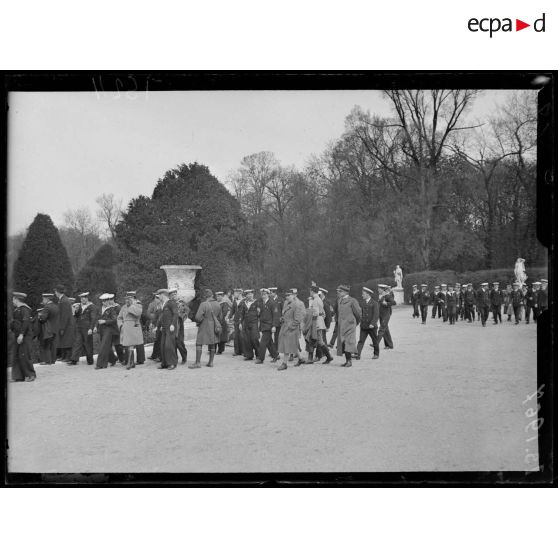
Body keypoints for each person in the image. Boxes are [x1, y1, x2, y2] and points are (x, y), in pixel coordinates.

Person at [189, 289, 222, 368]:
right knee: (212, 343)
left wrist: (200, 321)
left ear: (205, 296)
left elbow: (197, 317)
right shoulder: (218, 304)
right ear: (212, 295)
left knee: (199, 343)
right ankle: (210, 362)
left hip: (204, 326)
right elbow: (221, 317)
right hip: (214, 326)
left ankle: (197, 363)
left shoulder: (203, 304)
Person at [10, 292, 36, 382]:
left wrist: (21, 334)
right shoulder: (17, 309)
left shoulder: (24, 309)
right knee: (17, 355)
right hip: (18, 335)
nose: (12, 301)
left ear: (17, 299)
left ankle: (31, 375)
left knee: (25, 355)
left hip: (24, 336)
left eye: (13, 299)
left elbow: (26, 322)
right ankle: (18, 376)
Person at [277, 289, 306, 370]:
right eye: (286, 295)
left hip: (292, 328)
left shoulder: (297, 304)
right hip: (285, 325)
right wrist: (282, 318)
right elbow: (284, 313)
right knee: (291, 344)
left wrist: (290, 327)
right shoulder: (286, 303)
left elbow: (298, 319)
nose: (287, 297)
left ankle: (284, 363)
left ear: (294, 295)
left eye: (289, 295)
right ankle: (300, 359)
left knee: (287, 344)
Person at [335, 284, 361, 368]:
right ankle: (347, 360)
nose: (338, 293)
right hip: (342, 326)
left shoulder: (353, 301)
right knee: (343, 343)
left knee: (348, 343)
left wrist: (354, 323)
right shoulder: (339, 300)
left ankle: (349, 361)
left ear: (345, 292)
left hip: (350, 326)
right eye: (338, 291)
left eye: (340, 291)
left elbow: (358, 313)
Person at [117, 291, 144, 370]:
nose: (127, 300)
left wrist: (131, 305)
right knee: (127, 345)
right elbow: (119, 318)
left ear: (134, 298)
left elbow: (138, 313)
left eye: (129, 298)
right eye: (126, 299)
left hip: (133, 327)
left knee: (130, 345)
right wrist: (121, 325)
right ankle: (131, 363)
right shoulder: (123, 307)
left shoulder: (138, 305)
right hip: (125, 328)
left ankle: (129, 362)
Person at [68, 291, 97, 365]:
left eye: (84, 298)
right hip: (79, 327)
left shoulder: (92, 306)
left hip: (87, 328)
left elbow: (93, 318)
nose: (82, 300)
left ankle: (90, 360)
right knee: (77, 343)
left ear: (87, 298)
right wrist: (76, 310)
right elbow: (76, 316)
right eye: (81, 298)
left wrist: (91, 328)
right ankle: (74, 360)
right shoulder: (79, 306)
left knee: (88, 344)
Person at [94, 293, 120, 369]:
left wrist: (105, 321)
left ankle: (100, 364)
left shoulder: (111, 309)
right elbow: (97, 318)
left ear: (108, 301)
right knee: (107, 347)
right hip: (101, 329)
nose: (104, 302)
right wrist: (95, 326)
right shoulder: (100, 309)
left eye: (105, 301)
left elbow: (114, 320)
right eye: (103, 301)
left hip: (109, 330)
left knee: (103, 346)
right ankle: (113, 359)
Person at [255, 288, 280, 364]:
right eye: (262, 294)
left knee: (263, 342)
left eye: (265, 294)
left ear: (268, 294)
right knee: (269, 343)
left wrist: (274, 326)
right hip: (263, 325)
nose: (263, 296)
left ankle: (260, 358)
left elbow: (276, 315)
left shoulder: (272, 303)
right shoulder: (261, 303)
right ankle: (275, 355)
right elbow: (260, 314)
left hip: (269, 325)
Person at [156, 289, 179, 370]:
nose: (159, 298)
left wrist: (173, 324)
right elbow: (163, 316)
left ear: (163, 295)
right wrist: (160, 326)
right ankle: (164, 363)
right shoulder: (164, 304)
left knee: (169, 346)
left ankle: (172, 363)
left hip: (170, 327)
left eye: (160, 296)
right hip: (165, 327)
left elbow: (175, 314)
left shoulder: (171, 303)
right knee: (162, 345)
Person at [356, 287, 379, 360]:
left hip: (372, 326)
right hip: (363, 326)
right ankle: (358, 354)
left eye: (363, 294)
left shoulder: (374, 303)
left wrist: (373, 323)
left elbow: (376, 314)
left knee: (374, 340)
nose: (362, 295)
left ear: (368, 294)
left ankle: (376, 354)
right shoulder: (362, 303)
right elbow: (360, 314)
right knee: (361, 341)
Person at [37, 292, 59, 365]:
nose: (43, 301)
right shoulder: (56, 306)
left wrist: (39, 317)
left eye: (43, 299)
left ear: (46, 299)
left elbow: (43, 318)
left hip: (48, 329)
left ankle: (47, 361)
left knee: (47, 345)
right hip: (55, 328)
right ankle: (53, 360)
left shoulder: (47, 307)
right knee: (53, 345)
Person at [54, 284, 74, 361]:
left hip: (67, 325)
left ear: (58, 292)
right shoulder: (62, 299)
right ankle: (64, 356)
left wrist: (62, 327)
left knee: (67, 341)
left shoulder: (64, 301)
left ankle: (68, 357)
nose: (55, 293)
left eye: (55, 291)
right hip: (65, 324)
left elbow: (64, 316)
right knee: (63, 340)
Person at [239, 289, 260, 361]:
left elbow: (260, 313)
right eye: (248, 294)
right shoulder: (243, 303)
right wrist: (240, 323)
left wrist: (260, 323)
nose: (249, 295)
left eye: (251, 294)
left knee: (254, 339)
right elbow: (242, 314)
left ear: (253, 294)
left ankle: (258, 355)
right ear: (246, 295)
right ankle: (249, 355)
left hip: (254, 323)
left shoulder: (257, 302)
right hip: (246, 323)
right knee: (246, 340)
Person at [315, 288, 333, 361]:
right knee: (321, 340)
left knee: (321, 340)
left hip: (323, 324)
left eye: (319, 293)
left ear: (322, 294)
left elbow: (328, 315)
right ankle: (323, 354)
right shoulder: (320, 301)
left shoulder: (326, 302)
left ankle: (320, 355)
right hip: (320, 324)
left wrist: (328, 326)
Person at [377, 284, 396, 349]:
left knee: (382, 328)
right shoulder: (381, 296)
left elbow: (394, 302)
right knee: (385, 330)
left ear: (382, 289)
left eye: (379, 289)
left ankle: (375, 343)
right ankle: (389, 345)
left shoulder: (387, 296)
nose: (378, 290)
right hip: (381, 315)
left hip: (386, 315)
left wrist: (387, 303)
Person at [147, 292, 163, 361]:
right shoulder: (153, 304)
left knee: (159, 341)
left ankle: (159, 356)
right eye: (156, 297)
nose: (157, 299)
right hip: (156, 324)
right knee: (157, 341)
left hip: (161, 324)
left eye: (158, 298)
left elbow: (162, 316)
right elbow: (149, 314)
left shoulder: (163, 305)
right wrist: (152, 321)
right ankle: (154, 355)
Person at [230, 288, 245, 357]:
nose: (234, 294)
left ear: (239, 293)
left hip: (242, 321)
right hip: (236, 321)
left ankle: (243, 351)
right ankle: (237, 351)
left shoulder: (244, 301)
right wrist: (228, 317)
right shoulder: (235, 301)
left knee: (242, 336)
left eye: (235, 293)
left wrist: (242, 321)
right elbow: (232, 311)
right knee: (236, 336)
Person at [268, 287, 283, 353]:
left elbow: (283, 310)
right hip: (270, 321)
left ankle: (276, 351)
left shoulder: (280, 300)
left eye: (271, 293)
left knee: (277, 337)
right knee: (269, 337)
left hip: (278, 321)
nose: (270, 294)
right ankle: (273, 350)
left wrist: (282, 318)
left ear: (275, 293)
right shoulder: (269, 300)